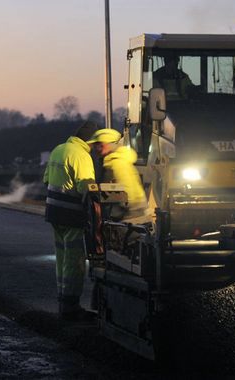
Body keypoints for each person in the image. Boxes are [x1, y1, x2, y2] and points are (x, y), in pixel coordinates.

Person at [43, 120, 98, 320]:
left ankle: (62, 300)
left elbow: (47, 180)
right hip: (71, 215)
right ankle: (71, 306)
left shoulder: (58, 149)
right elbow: (86, 188)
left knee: (62, 258)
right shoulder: (81, 155)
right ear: (89, 142)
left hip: (54, 213)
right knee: (74, 262)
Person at [87, 129, 148, 221]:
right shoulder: (110, 162)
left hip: (130, 216)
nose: (96, 148)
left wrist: (119, 215)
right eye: (95, 145)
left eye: (100, 145)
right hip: (129, 214)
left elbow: (128, 192)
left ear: (110, 144)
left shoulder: (117, 163)